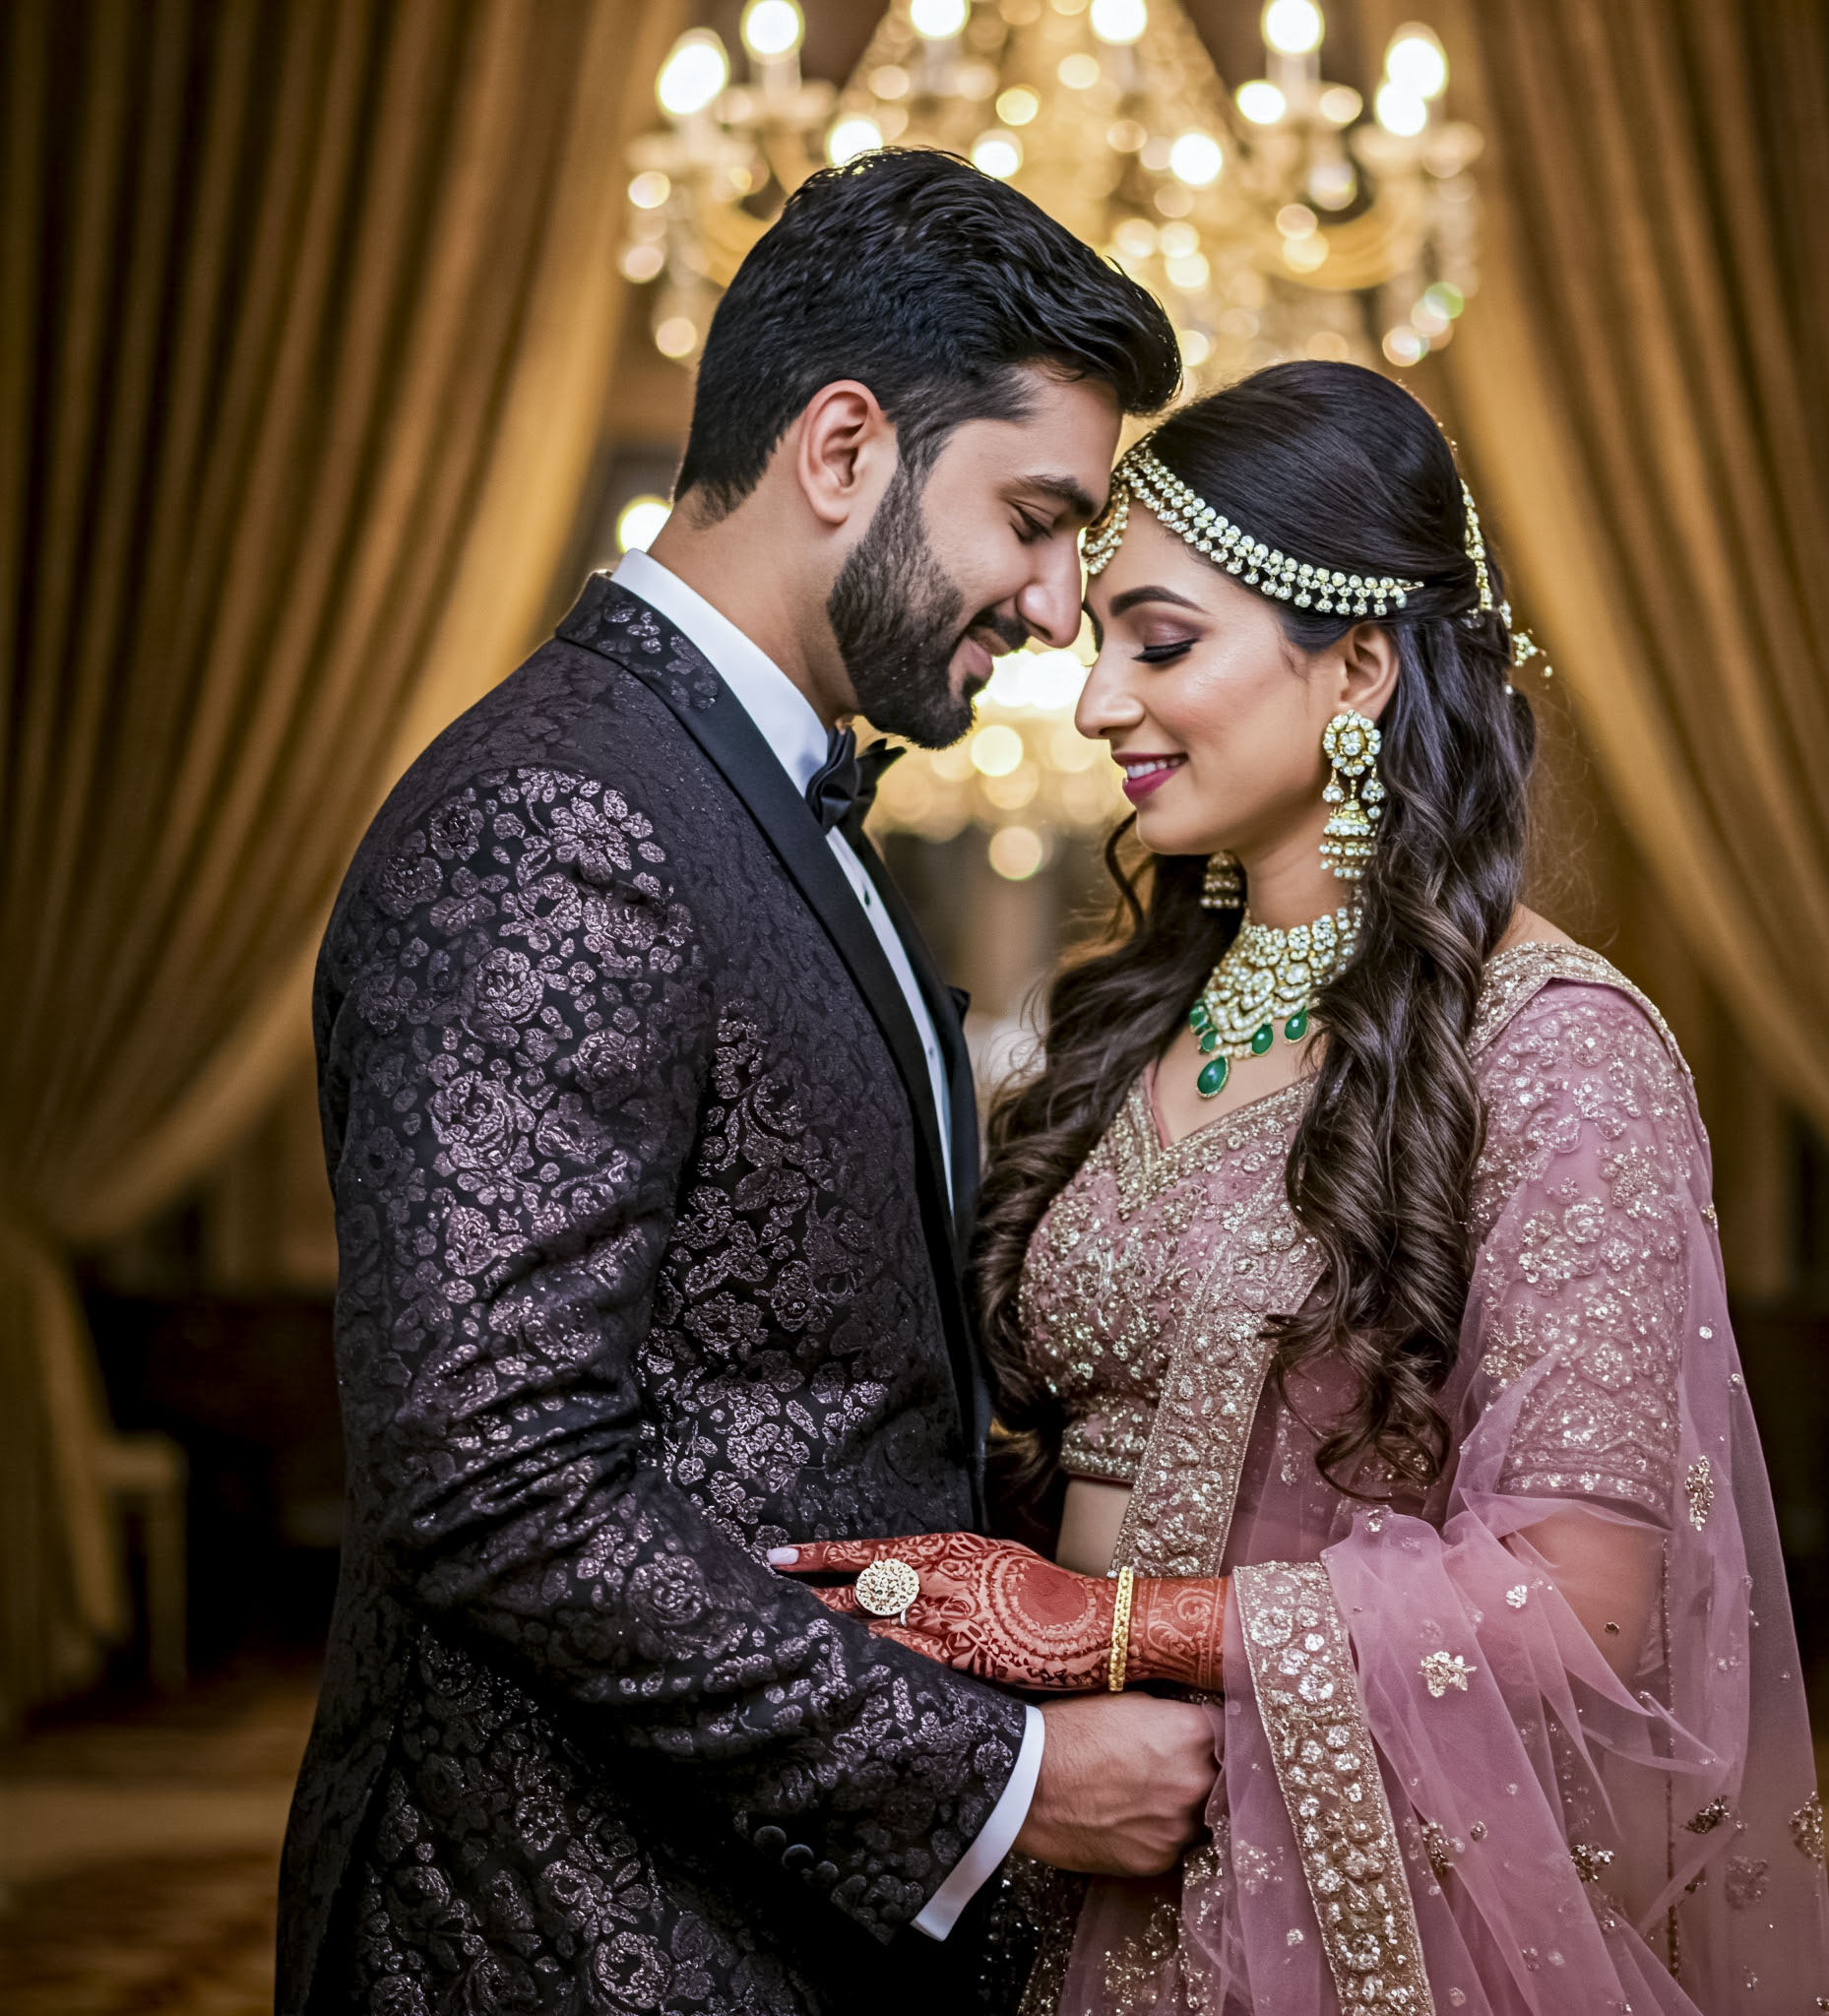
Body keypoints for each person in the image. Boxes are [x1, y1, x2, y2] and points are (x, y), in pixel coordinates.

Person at [775, 362, 1829, 2013]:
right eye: (1101, 643)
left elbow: (1582, 1607)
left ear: (1358, 664)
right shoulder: (1134, 1016)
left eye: (1162, 644)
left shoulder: (1557, 1050)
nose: (1096, 704)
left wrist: (1106, 1627)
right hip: (1069, 1858)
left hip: (1357, 1916)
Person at [277, 150, 1218, 2016]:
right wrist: (1001, 1780)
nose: (1057, 612)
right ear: (845, 448)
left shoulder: (761, 793)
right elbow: (493, 1480)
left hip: (761, 1920)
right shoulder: (561, 813)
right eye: (1034, 520)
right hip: (555, 1937)